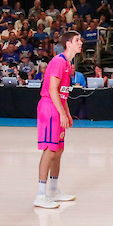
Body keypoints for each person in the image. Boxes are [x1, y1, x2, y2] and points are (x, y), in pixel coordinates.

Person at [34, 30, 82, 209]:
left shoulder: (68, 64)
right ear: (68, 44)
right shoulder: (58, 61)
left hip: (58, 106)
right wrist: (61, 113)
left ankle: (53, 190)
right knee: (49, 150)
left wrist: (67, 113)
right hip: (49, 107)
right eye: (77, 40)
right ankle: (40, 195)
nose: (81, 43)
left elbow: (63, 93)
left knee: (59, 149)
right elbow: (52, 89)